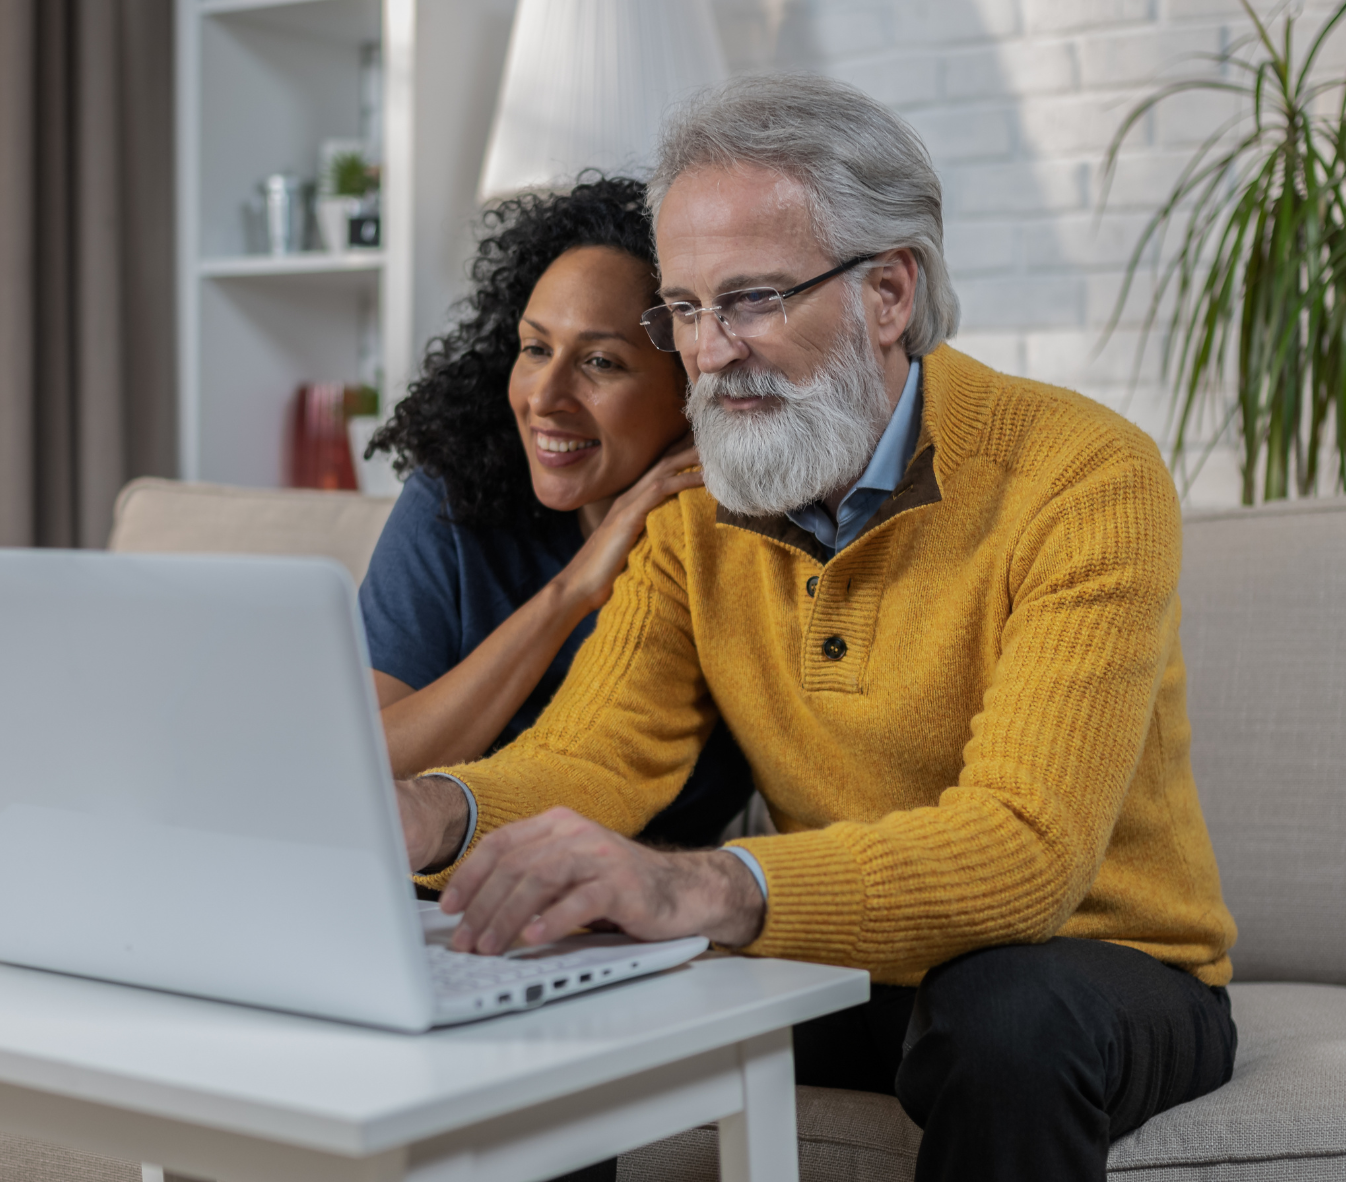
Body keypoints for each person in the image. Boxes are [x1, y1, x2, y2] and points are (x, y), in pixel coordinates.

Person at [394, 77, 1238, 1180]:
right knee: (548, 957)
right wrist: (433, 813)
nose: (708, 351)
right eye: (686, 310)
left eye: (750, 300)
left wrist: (708, 886)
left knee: (1009, 1014)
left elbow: (1027, 854)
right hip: (848, 958)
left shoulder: (1082, 474)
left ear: (890, 292)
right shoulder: (701, 501)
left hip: (1097, 962)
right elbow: (594, 754)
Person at [361, 175, 753, 852]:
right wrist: (571, 593)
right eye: (536, 349)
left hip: (649, 918)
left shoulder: (743, 540)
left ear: (693, 386)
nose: (545, 396)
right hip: (432, 896)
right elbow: (364, 764)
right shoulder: (455, 498)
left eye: (600, 362)